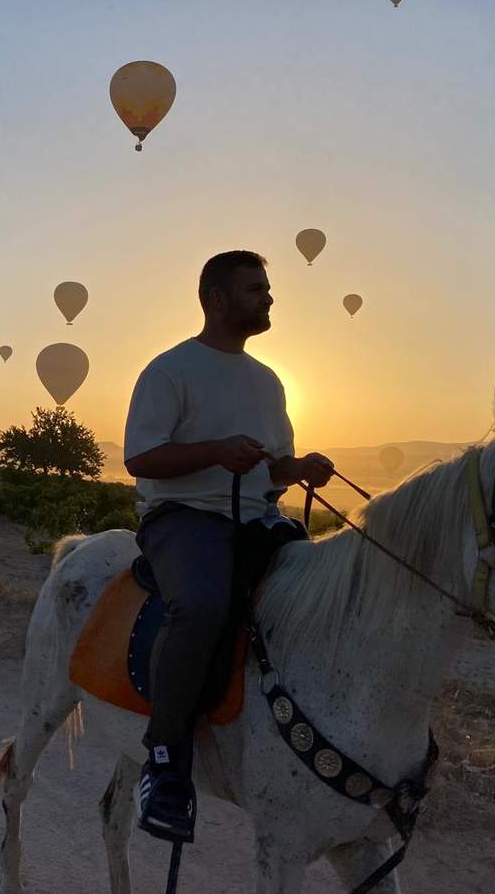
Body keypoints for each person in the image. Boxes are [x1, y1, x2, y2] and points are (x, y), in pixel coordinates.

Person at [123, 250, 334, 844]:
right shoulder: (170, 370)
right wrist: (215, 451)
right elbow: (140, 457)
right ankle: (164, 760)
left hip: (256, 519)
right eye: (255, 288)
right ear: (217, 298)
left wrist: (300, 469)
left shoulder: (268, 381)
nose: (268, 298)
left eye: (268, 288)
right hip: (183, 518)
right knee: (204, 605)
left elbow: (269, 471)